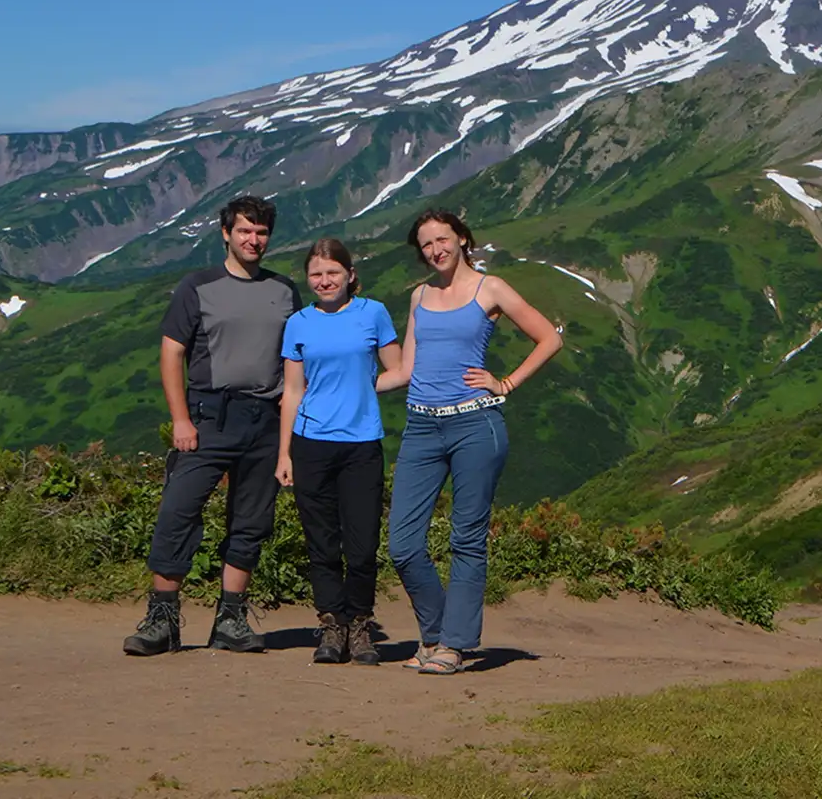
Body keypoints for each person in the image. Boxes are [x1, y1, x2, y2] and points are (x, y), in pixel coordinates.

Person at [123, 195, 301, 656]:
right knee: (178, 511)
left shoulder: (284, 290)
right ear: (225, 233)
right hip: (208, 416)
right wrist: (180, 418)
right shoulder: (197, 286)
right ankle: (162, 619)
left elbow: (295, 360)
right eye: (244, 231)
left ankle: (231, 619)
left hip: (265, 417)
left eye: (261, 232)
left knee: (252, 521)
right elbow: (171, 352)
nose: (253, 240)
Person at [388, 208, 562, 675]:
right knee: (402, 544)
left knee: (467, 539)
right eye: (426, 245)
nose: (435, 250)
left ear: (463, 239)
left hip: (474, 425)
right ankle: (437, 632)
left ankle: (454, 644)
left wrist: (505, 382)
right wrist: (347, 386)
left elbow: (549, 338)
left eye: (443, 240)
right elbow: (405, 370)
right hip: (422, 426)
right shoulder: (420, 295)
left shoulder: (492, 288)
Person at [275, 238, 407, 665]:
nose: (324, 281)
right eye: (316, 274)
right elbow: (292, 391)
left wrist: (364, 388)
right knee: (322, 543)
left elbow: (399, 370)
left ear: (350, 275)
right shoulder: (298, 323)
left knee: (363, 542)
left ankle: (361, 624)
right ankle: (332, 624)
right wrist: (284, 454)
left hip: (361, 444)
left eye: (333, 273)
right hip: (311, 443)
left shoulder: (373, 314)